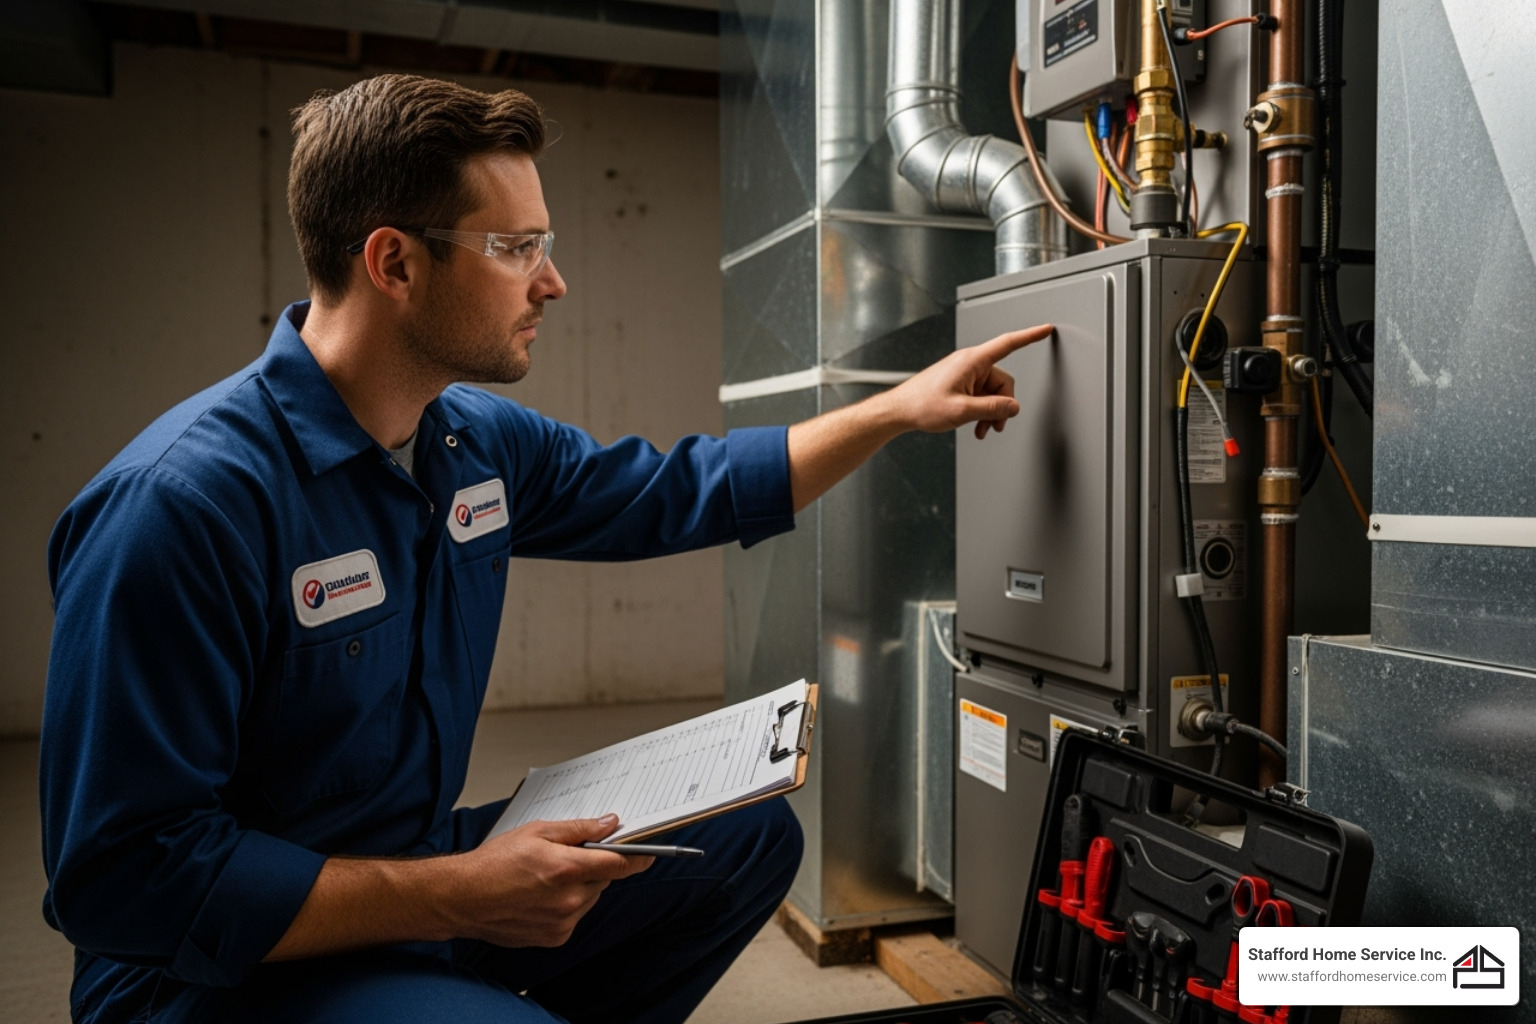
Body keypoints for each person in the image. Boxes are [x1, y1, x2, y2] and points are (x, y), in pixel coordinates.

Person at [38, 74, 1051, 1024]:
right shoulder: (180, 507)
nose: (553, 282)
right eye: (515, 247)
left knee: (746, 836)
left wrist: (898, 411)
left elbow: (674, 490)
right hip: (212, 977)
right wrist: (456, 894)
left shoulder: (468, 440)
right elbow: (126, 876)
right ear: (393, 262)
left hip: (418, 879)